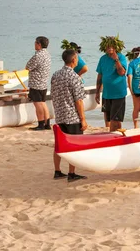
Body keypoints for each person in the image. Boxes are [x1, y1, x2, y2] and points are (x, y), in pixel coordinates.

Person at [51, 49, 88, 182]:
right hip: (72, 117)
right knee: (74, 145)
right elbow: (78, 101)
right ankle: (72, 173)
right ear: (73, 60)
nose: (77, 60)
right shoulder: (74, 77)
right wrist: (83, 119)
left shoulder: (55, 75)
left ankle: (57, 171)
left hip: (60, 115)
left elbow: (54, 95)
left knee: (59, 145)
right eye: (77, 58)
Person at [95, 45, 128, 132]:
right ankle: (112, 134)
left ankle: (115, 136)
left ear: (116, 47)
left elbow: (122, 72)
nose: (110, 48)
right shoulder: (102, 59)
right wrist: (97, 92)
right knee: (108, 119)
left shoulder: (121, 57)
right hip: (106, 93)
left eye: (112, 47)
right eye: (108, 46)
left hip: (118, 93)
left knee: (116, 120)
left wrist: (116, 59)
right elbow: (100, 75)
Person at [25, 36, 52, 131]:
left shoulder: (38, 55)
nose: (34, 44)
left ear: (39, 45)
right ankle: (47, 123)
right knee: (43, 103)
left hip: (36, 83)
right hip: (44, 82)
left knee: (38, 104)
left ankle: (40, 124)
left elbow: (28, 66)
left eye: (36, 42)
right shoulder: (47, 54)